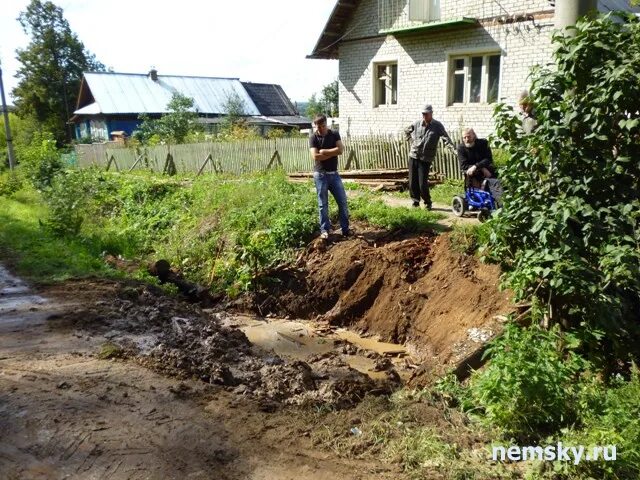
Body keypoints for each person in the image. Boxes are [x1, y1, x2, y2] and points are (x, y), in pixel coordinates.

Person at [404, 104, 454, 210]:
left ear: (431, 113)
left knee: (422, 183)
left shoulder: (437, 125)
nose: (424, 116)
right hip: (414, 155)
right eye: (423, 114)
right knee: (413, 182)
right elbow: (406, 131)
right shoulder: (417, 123)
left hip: (426, 158)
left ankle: (427, 202)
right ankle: (415, 202)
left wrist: (453, 149)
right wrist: (411, 141)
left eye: (426, 114)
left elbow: (445, 138)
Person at [309, 113, 350, 239]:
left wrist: (324, 152)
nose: (319, 129)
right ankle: (325, 230)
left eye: (322, 126)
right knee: (323, 204)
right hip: (320, 175)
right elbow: (315, 156)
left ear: (326, 124)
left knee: (342, 202)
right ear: (314, 126)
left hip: (334, 174)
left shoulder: (334, 134)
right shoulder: (313, 138)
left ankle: (345, 229)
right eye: (317, 127)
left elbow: (341, 150)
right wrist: (333, 152)